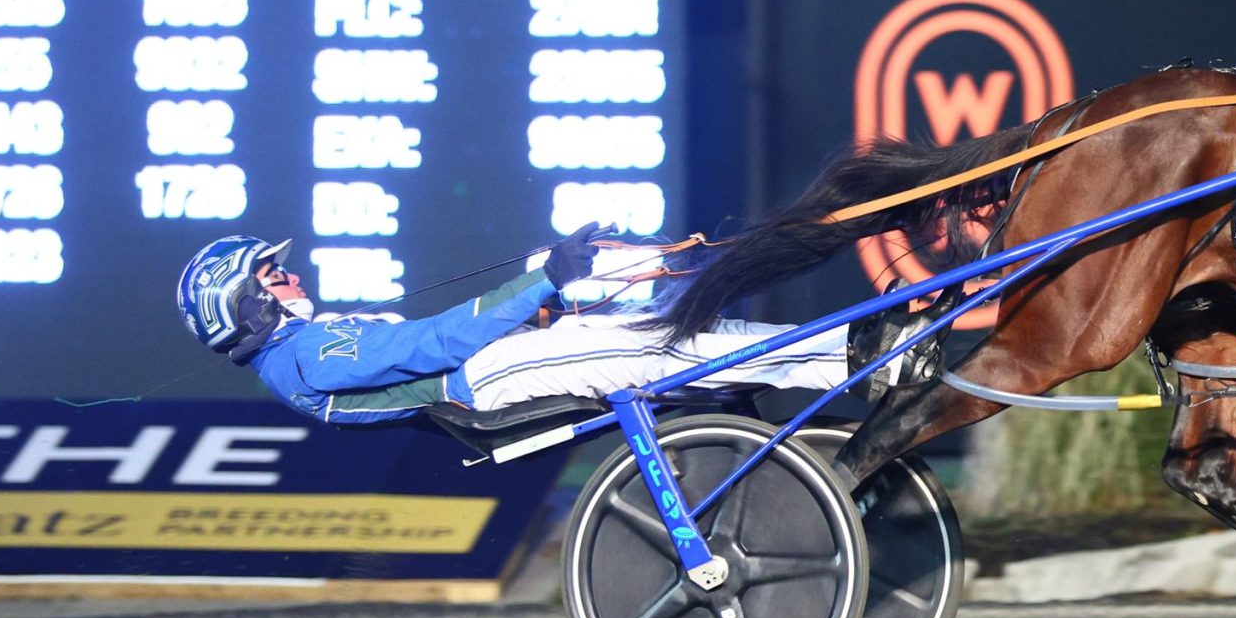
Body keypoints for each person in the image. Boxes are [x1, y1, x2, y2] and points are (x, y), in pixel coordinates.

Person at [174, 228, 849, 426]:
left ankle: (842, 348)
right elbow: (435, 343)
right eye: (270, 277)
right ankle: (848, 356)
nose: (289, 278)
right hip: (479, 380)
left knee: (655, 318)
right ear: (245, 306)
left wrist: (542, 291)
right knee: (654, 348)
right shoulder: (304, 358)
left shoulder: (302, 351)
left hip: (485, 366)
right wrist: (546, 280)